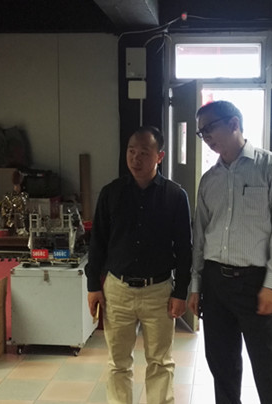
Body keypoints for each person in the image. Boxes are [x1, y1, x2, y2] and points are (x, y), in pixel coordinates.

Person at [188, 101, 272, 404]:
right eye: (201, 133)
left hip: (254, 283)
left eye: (210, 128)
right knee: (221, 365)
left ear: (234, 123)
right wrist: (196, 286)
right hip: (215, 283)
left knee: (267, 367)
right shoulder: (209, 180)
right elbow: (200, 237)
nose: (206, 137)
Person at [86, 126, 192, 404]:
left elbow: (184, 248)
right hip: (117, 289)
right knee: (118, 363)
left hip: (159, 291)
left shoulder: (175, 196)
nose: (135, 158)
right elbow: (97, 242)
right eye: (131, 151)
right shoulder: (111, 193)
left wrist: (181, 291)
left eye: (144, 152)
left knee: (160, 362)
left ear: (159, 156)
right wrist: (92, 286)